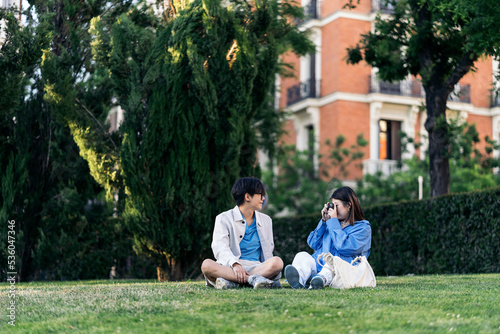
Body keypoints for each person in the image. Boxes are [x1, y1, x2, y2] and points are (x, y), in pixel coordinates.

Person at [201, 177, 283, 289]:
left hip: (257, 267)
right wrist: (235, 264)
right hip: (231, 268)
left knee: (277, 262)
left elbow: (269, 252)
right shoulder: (223, 218)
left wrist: (269, 269)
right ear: (247, 196)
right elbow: (220, 247)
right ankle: (252, 280)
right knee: (206, 265)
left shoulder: (266, 220)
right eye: (260, 195)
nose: (263, 198)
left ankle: (232, 282)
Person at [284, 186, 371, 289]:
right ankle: (299, 280)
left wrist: (333, 221)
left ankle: (319, 280)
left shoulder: (363, 227)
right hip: (319, 264)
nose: (333, 209)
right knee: (301, 255)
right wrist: (324, 222)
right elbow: (313, 243)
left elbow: (344, 247)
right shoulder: (330, 223)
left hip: (342, 269)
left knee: (331, 265)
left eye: (336, 205)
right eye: (332, 205)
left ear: (348, 205)